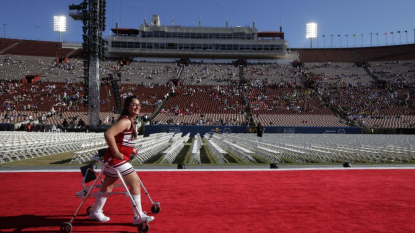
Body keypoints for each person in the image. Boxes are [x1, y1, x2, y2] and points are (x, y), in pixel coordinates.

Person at [89, 95, 154, 225]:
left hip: (115, 159)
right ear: (127, 106)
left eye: (139, 105)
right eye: (134, 104)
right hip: (116, 160)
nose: (137, 107)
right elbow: (108, 134)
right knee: (135, 183)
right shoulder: (126, 121)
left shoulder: (130, 120)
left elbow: (123, 140)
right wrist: (116, 151)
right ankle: (138, 216)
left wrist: (132, 149)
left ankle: (95, 211)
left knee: (108, 185)